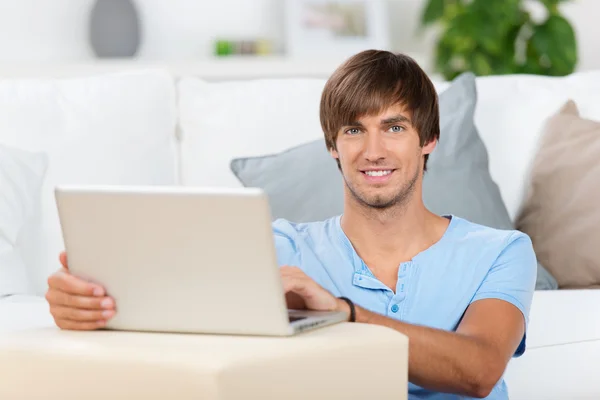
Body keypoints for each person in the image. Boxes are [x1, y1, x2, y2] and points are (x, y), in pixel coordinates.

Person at [45, 50, 536, 399]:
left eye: (394, 127)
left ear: (428, 138)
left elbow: (479, 371)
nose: (373, 151)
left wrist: (342, 314)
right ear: (331, 146)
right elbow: (182, 316)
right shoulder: (280, 249)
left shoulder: (500, 251)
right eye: (353, 130)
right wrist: (92, 309)